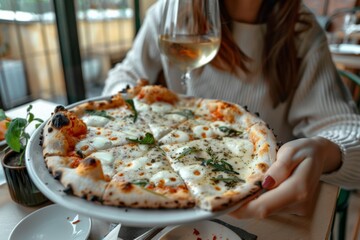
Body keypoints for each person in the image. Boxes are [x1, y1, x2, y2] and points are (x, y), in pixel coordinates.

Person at [102, 0, 360, 218]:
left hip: (256, 203)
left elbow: (347, 131)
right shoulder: (172, 10)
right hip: (164, 189)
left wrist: (325, 151)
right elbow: (125, 76)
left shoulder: (302, 29)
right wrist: (128, 99)